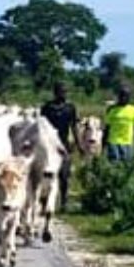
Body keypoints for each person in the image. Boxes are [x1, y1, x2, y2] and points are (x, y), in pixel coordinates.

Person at [41, 82, 81, 210]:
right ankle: (44, 200)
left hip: (63, 145)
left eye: (65, 92)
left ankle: (64, 201)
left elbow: (74, 127)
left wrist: (78, 144)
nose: (63, 94)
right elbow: (41, 127)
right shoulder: (47, 108)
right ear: (55, 93)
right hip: (49, 145)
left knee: (64, 174)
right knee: (47, 175)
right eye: (60, 91)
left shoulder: (70, 108)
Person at [104, 86, 134, 162]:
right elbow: (107, 128)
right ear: (118, 97)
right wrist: (103, 144)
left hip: (128, 142)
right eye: (121, 95)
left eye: (126, 96)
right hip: (113, 141)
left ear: (129, 97)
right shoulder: (111, 110)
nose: (123, 98)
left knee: (127, 164)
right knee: (114, 164)